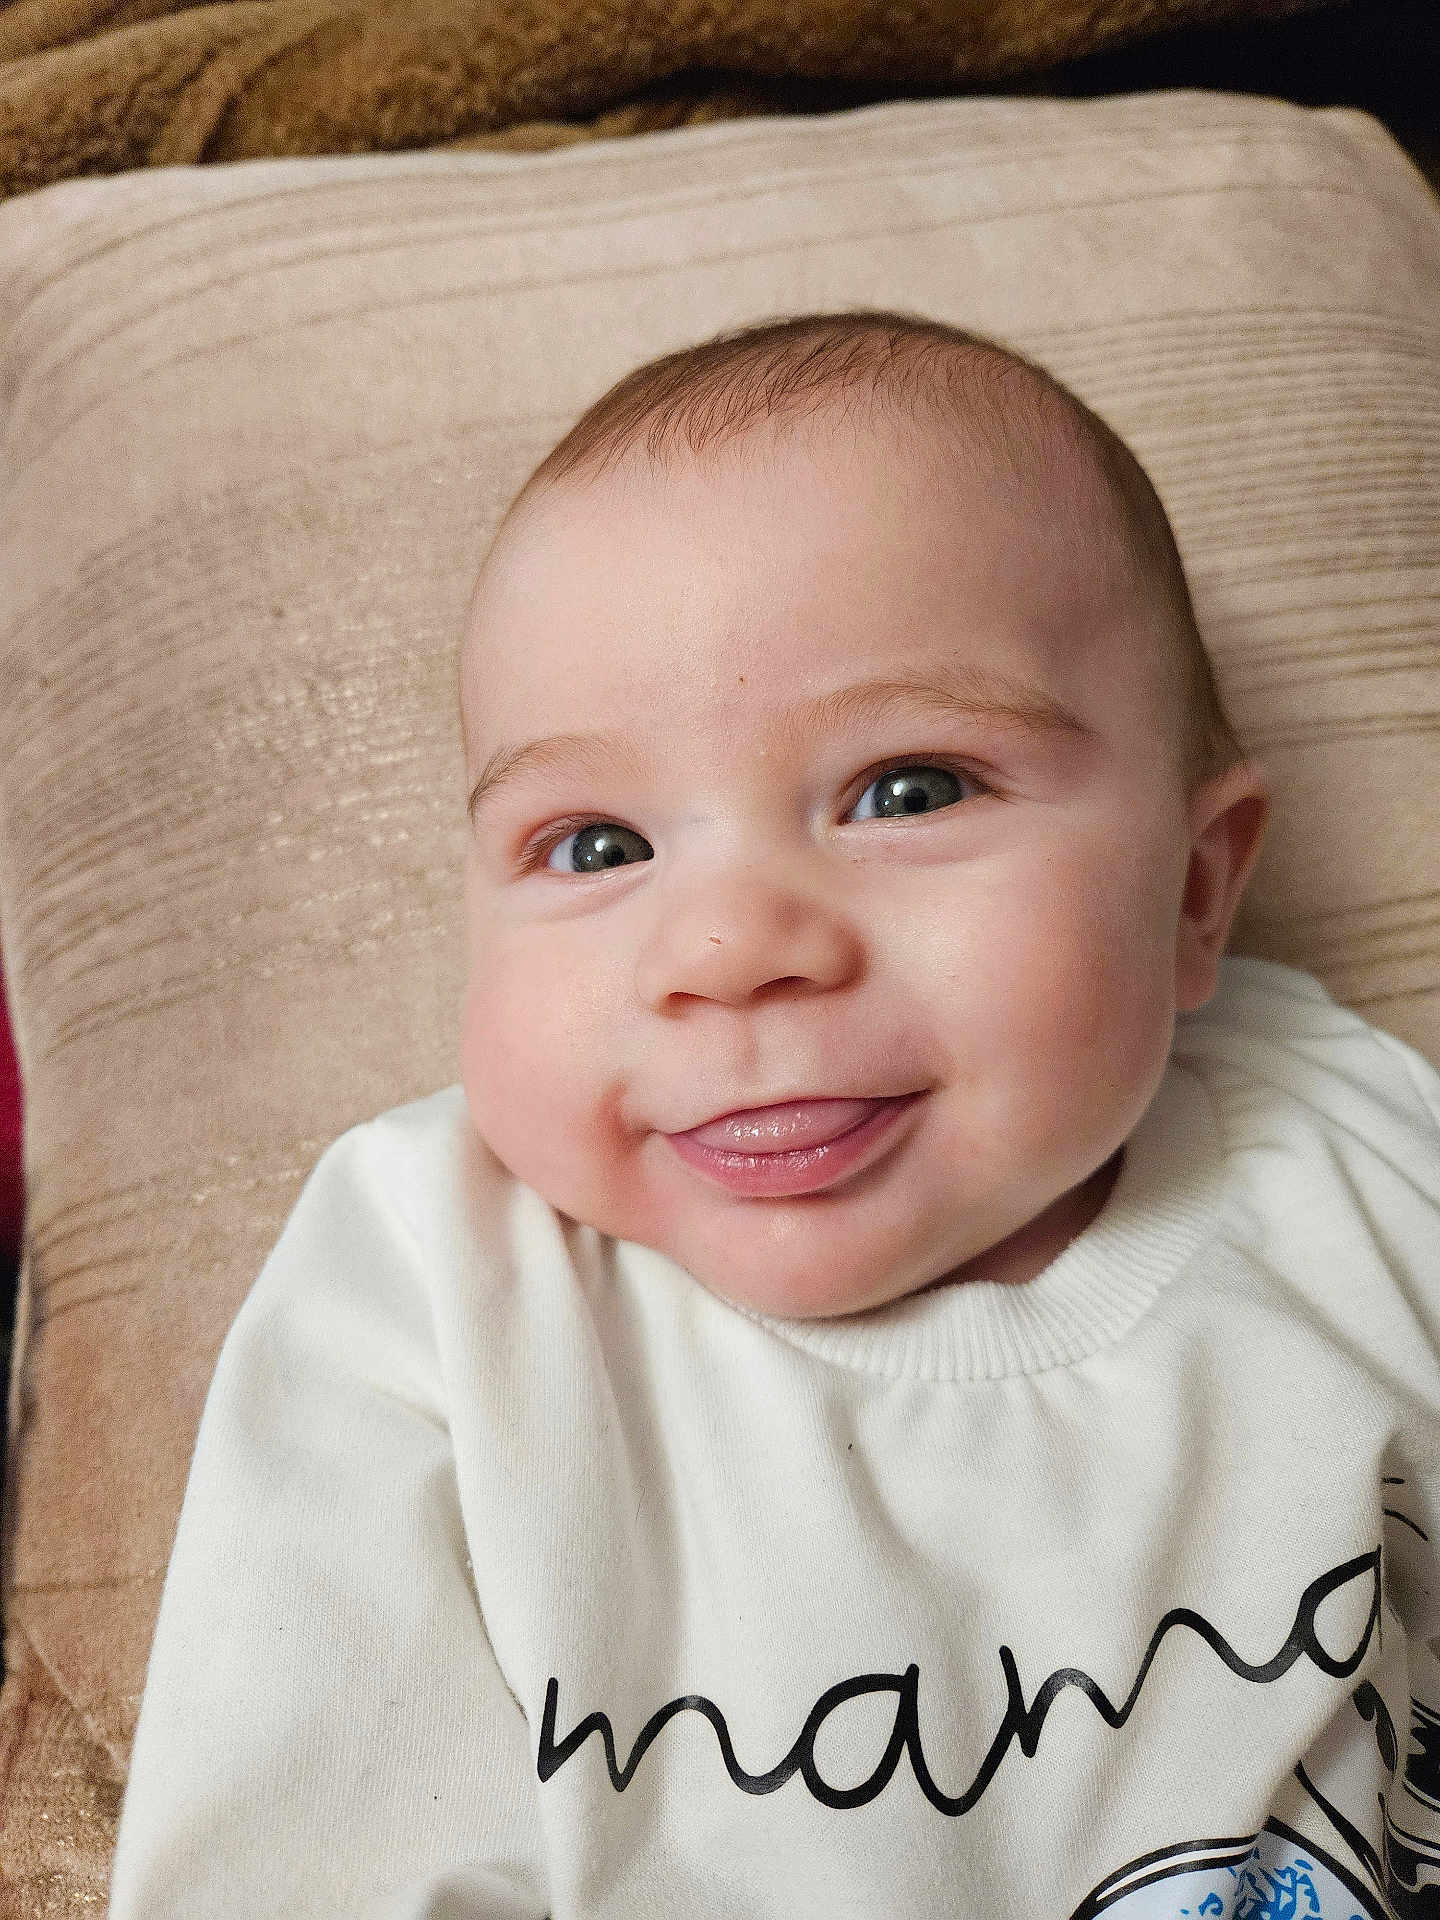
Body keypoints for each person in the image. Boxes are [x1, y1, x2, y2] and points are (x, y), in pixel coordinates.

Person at [108, 311, 1440, 1919]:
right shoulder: (432, 1276)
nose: (729, 952)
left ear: (1197, 891)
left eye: (910, 790)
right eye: (596, 845)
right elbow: (294, 1851)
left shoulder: (1357, 1155)